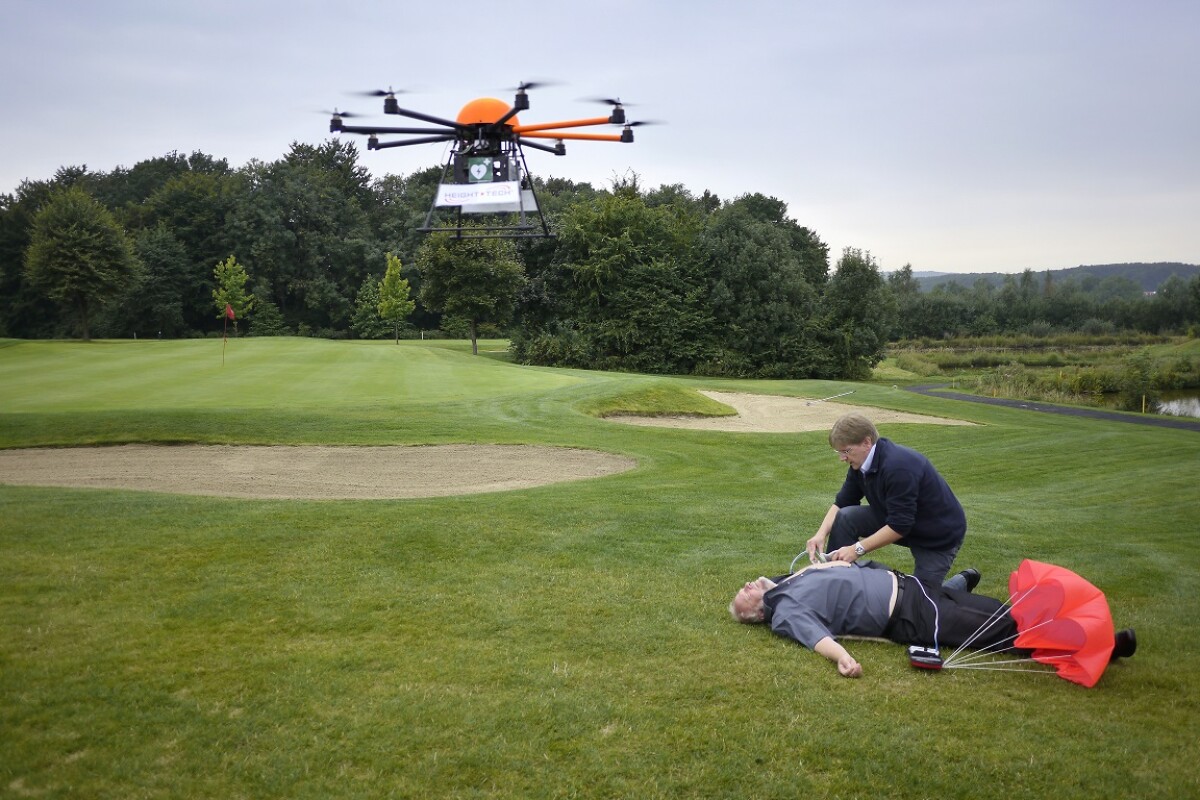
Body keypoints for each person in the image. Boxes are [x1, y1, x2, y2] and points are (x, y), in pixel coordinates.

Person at [729, 560, 1137, 678]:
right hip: (908, 615)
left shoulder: (785, 581)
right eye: (744, 594)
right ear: (757, 614)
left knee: (999, 608)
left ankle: (961, 584)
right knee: (998, 628)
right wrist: (840, 657)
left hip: (912, 585)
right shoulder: (784, 612)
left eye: (745, 586)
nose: (747, 584)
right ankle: (1101, 646)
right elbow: (814, 635)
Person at [806, 413, 968, 588]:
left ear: (866, 442)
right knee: (846, 517)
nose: (842, 458)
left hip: (937, 534)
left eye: (846, 451)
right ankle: (831, 581)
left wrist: (856, 549)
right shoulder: (859, 464)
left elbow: (900, 526)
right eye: (839, 452)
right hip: (898, 520)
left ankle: (959, 583)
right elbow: (843, 501)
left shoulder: (898, 467)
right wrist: (820, 534)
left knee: (919, 604)